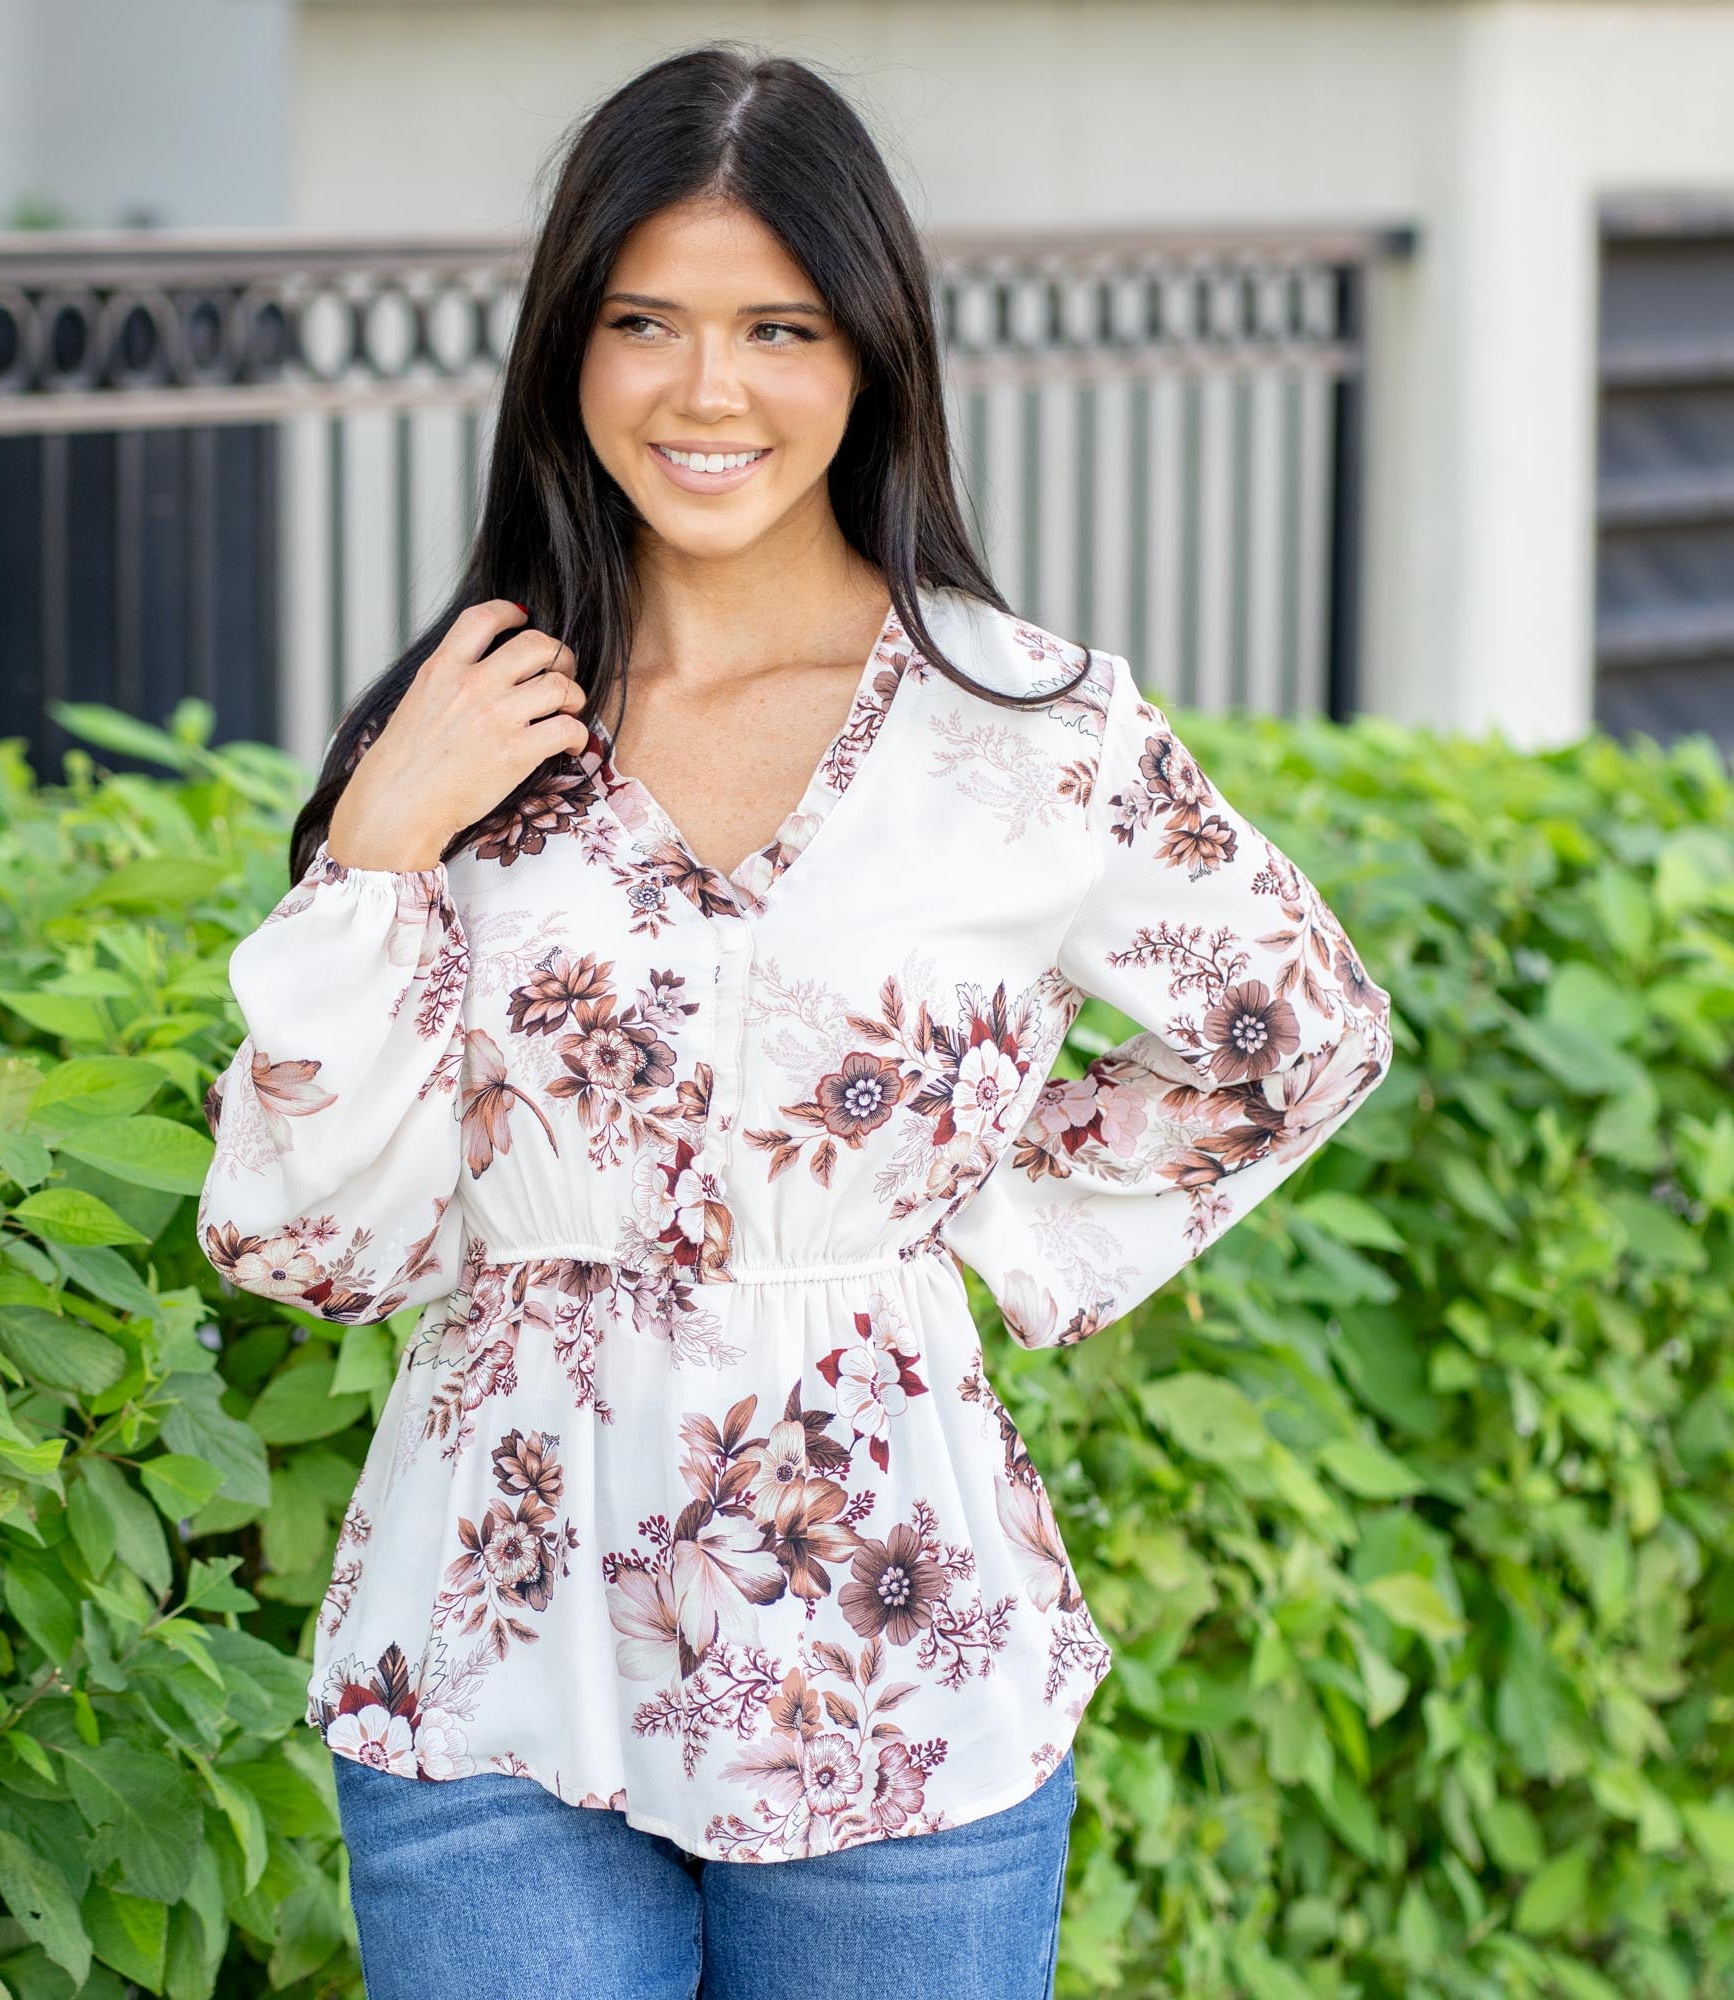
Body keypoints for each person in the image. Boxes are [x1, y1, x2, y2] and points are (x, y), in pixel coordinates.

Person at [193, 40, 1395, 2000]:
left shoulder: (1028, 730)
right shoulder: (472, 728)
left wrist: (963, 1219)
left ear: (870, 356)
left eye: (778, 327)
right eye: (642, 321)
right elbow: (308, 1248)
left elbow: (1296, 1027)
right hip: (490, 1650)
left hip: (894, 1665)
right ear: (565, 351)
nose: (706, 390)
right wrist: (377, 850)